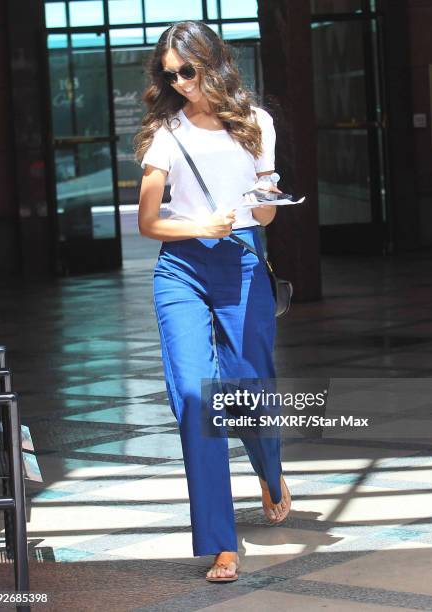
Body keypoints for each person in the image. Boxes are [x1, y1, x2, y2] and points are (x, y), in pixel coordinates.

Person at [135, 20, 291, 583]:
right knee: (195, 400)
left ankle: (270, 470)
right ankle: (222, 542)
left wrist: (265, 197)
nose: (178, 82)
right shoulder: (165, 134)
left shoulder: (255, 123)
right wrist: (199, 223)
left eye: (187, 70)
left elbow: (266, 214)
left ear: (212, 63)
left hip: (243, 260)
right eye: (169, 73)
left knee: (249, 385)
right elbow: (149, 222)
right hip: (180, 269)